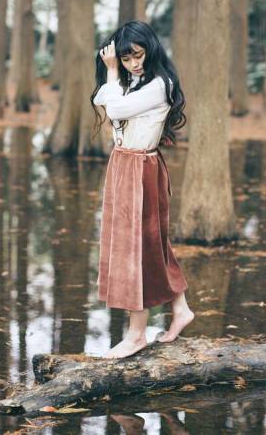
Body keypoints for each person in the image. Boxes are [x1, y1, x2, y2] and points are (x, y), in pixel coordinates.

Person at [91, 20, 195, 359]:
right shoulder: (133, 81)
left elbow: (115, 108)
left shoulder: (160, 84)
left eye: (138, 55)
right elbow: (102, 103)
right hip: (125, 165)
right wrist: (113, 77)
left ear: (150, 49)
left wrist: (110, 73)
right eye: (126, 59)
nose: (134, 63)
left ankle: (136, 335)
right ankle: (180, 309)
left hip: (141, 167)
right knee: (149, 244)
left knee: (135, 248)